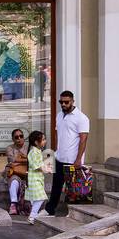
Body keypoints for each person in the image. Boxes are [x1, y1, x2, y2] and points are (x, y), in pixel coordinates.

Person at [40, 89, 90, 217]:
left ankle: (74, 213)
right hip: (59, 157)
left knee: (73, 188)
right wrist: (53, 154)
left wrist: (79, 159)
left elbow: (83, 140)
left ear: (72, 101)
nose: (63, 104)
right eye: (61, 102)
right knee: (56, 186)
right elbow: (57, 135)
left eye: (66, 102)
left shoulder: (82, 118)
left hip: (72, 159)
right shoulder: (59, 115)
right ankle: (50, 209)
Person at [1, 127, 28, 217]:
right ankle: (13, 204)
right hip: (14, 172)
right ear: (13, 139)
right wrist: (25, 159)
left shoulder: (29, 147)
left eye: (21, 136)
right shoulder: (10, 148)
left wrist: (19, 160)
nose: (19, 138)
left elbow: (33, 160)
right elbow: (11, 159)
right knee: (14, 180)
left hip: (26, 172)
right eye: (16, 137)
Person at [25, 130, 48, 224]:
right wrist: (46, 169)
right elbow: (36, 166)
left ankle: (34, 215)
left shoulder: (37, 151)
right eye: (43, 139)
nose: (45, 141)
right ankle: (33, 216)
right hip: (34, 179)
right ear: (36, 142)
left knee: (35, 198)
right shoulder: (34, 152)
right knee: (40, 197)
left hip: (37, 178)